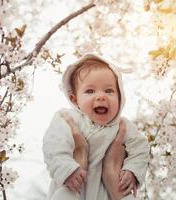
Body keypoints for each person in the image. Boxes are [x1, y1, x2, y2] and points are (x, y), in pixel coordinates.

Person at [43, 54, 149, 200]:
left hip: (107, 194)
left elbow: (141, 149)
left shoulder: (123, 126)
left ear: (120, 97)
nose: (101, 97)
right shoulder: (67, 118)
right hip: (73, 187)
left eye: (109, 91)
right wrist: (65, 169)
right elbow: (53, 145)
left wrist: (132, 171)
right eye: (90, 91)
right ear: (75, 100)